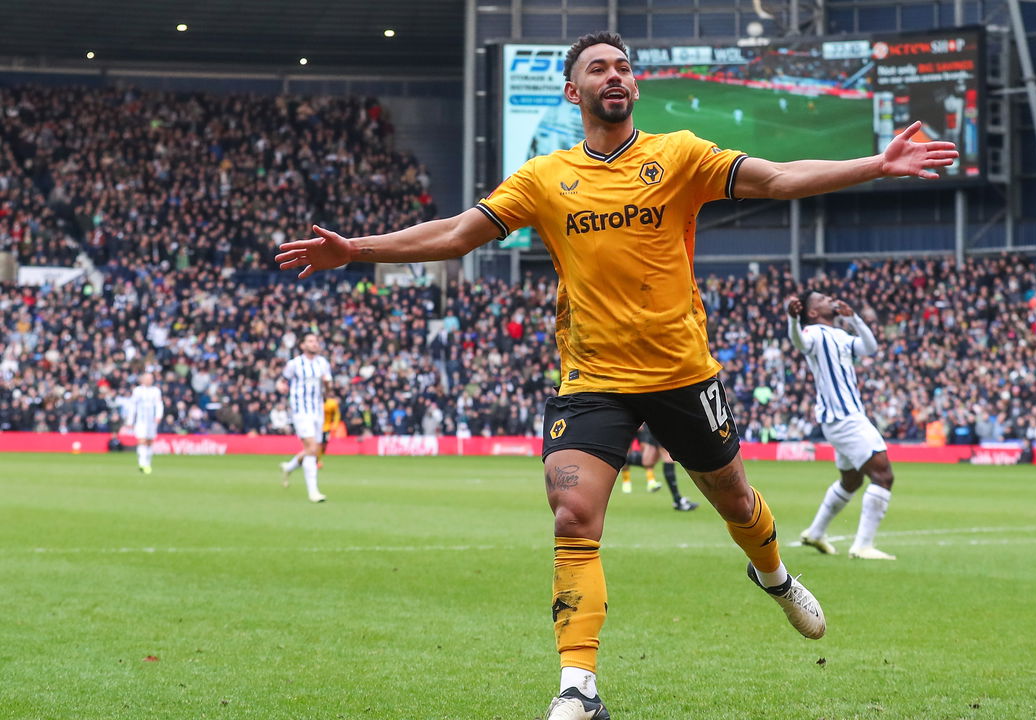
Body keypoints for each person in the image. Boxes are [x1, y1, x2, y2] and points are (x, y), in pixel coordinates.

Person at [275, 31, 955, 720]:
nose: (615, 76)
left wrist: (876, 164)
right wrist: (355, 250)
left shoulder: (679, 155)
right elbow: (457, 234)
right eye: (599, 68)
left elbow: (777, 179)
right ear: (574, 91)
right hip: (592, 379)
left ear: (635, 87)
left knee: (736, 503)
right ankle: (579, 687)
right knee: (572, 514)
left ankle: (775, 576)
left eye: (624, 67)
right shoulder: (543, 178)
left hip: (683, 373)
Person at [788, 292, 897, 561]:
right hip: (845, 417)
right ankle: (863, 545)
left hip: (842, 419)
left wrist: (855, 319)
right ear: (813, 312)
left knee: (852, 480)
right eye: (823, 299)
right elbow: (799, 342)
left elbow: (870, 348)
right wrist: (792, 320)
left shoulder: (839, 335)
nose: (830, 299)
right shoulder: (813, 332)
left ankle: (815, 532)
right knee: (883, 476)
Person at [278, 333, 331, 503]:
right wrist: (281, 388)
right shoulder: (294, 364)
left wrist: (327, 384)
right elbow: (282, 381)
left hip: (318, 410)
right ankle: (313, 492)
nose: (314, 344)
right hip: (301, 410)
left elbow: (328, 390)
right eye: (310, 341)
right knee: (311, 448)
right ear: (302, 345)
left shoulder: (323, 363)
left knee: (314, 449)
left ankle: (289, 466)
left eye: (316, 341)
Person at [619, 423, 700, 511]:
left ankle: (619, 457)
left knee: (648, 461)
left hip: (653, 425)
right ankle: (678, 501)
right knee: (667, 458)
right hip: (661, 425)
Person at [124, 372, 164, 474]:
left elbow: (159, 404)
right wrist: (130, 420)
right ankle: (142, 463)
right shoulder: (137, 391)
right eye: (147, 378)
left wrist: (158, 416)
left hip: (151, 421)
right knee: (141, 440)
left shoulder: (156, 391)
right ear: (142, 380)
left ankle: (148, 463)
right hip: (141, 420)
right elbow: (132, 405)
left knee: (149, 442)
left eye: (151, 378)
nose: (149, 380)